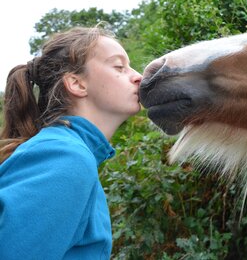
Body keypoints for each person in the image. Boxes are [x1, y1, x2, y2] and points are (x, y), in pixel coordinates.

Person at [0, 26, 142, 259]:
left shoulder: (66, 152)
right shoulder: (65, 156)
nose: (138, 76)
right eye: (119, 67)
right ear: (77, 84)